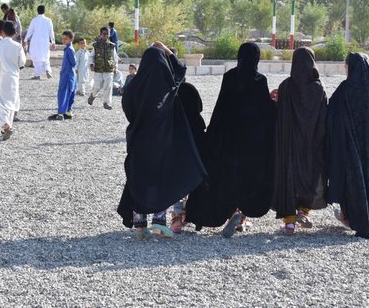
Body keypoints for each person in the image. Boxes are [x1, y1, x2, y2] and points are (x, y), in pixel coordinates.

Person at [185, 42, 277, 238]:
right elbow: (264, 112)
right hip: (251, 141)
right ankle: (241, 216)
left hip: (227, 137)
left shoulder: (229, 76)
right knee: (248, 177)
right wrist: (275, 102)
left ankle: (232, 212)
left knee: (226, 176)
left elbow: (221, 106)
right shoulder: (260, 80)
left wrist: (212, 133)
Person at [117, 42, 207, 239]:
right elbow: (181, 70)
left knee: (139, 176)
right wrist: (165, 50)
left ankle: (140, 225)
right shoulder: (167, 88)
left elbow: (127, 107)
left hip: (138, 138)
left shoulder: (134, 88)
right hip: (162, 141)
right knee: (163, 177)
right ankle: (159, 221)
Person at [327, 52, 369, 239]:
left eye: (346, 66)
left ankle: (353, 217)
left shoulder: (346, 89)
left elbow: (330, 111)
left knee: (351, 181)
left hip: (348, 147)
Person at [271, 47, 327, 235]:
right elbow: (323, 118)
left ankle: (289, 222)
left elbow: (279, 116)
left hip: (289, 144)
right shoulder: (318, 88)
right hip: (311, 143)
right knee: (310, 175)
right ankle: (303, 211)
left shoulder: (287, 86)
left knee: (289, 176)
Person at [170, 81, 207, 234]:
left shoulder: (174, 122)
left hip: (178, 162)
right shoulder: (198, 122)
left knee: (176, 184)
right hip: (197, 165)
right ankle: (196, 215)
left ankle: (177, 217)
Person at [0, 21, 26, 141]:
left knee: (0, 103)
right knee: (11, 103)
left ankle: (5, 125)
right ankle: (7, 126)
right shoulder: (18, 46)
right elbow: (22, 63)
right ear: (15, 33)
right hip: (14, 78)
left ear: (2, 32)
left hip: (2, 77)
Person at [49, 31, 77, 121]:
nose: (63, 40)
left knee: (63, 93)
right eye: (62, 38)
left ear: (71, 39)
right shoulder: (68, 49)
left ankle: (60, 113)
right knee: (69, 93)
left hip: (67, 75)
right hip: (69, 74)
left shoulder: (69, 49)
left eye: (66, 39)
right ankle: (68, 112)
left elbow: (74, 63)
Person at [87, 27, 117, 110]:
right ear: (100, 34)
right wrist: (91, 64)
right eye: (104, 34)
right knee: (97, 86)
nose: (106, 35)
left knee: (108, 87)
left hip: (109, 69)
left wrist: (115, 68)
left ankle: (106, 103)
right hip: (98, 69)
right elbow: (91, 56)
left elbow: (114, 58)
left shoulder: (112, 46)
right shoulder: (96, 46)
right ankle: (92, 96)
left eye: (107, 34)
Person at [25, 5, 55, 80]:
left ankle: (38, 74)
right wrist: (53, 41)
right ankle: (48, 70)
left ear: (37, 11)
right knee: (45, 56)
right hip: (45, 41)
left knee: (36, 58)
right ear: (44, 11)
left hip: (35, 41)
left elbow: (30, 31)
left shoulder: (34, 20)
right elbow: (51, 32)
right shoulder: (48, 20)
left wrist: (25, 40)